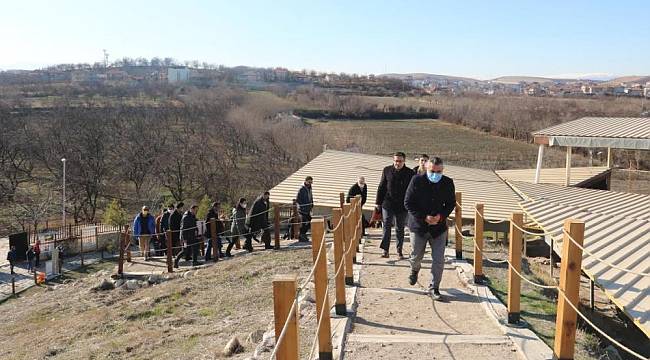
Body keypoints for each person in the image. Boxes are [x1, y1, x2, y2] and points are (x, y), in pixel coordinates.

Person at [404, 156, 456, 300]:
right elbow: (408, 202)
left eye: (438, 171)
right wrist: (424, 217)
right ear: (427, 168)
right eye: (432, 171)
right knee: (416, 256)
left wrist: (441, 216)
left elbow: (451, 203)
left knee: (438, 260)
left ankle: (434, 288)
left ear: (442, 170)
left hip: (438, 229)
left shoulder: (448, 183)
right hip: (418, 227)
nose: (435, 174)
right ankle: (414, 270)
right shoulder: (416, 181)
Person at [376, 151, 414, 259]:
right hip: (388, 203)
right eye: (396, 161)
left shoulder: (410, 173)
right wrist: (378, 203)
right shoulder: (387, 170)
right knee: (386, 225)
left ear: (404, 161)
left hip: (402, 205)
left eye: (400, 161)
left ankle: (399, 250)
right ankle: (385, 250)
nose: (397, 163)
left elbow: (412, 190)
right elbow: (382, 186)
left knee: (399, 228)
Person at [296, 176, 314, 242]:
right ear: (306, 181)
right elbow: (298, 199)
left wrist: (312, 204)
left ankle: (303, 235)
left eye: (311, 182)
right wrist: (302, 206)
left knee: (309, 222)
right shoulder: (302, 189)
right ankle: (301, 236)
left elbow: (311, 197)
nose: (310, 183)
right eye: (309, 182)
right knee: (304, 223)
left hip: (308, 209)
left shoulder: (310, 188)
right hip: (302, 210)